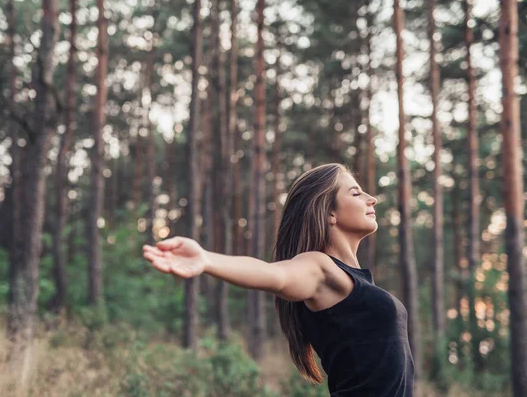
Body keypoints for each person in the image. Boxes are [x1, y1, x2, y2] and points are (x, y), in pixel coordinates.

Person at [142, 163, 414, 397]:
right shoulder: (318, 266)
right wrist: (207, 259)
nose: (371, 199)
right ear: (329, 212)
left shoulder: (355, 280)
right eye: (356, 193)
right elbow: (276, 275)